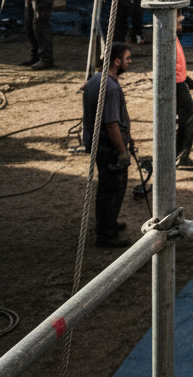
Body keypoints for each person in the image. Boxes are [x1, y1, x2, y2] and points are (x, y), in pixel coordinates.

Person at [82, 41, 134, 248]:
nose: (130, 62)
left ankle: (108, 224)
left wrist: (127, 137)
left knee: (107, 189)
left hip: (100, 145)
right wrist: (122, 151)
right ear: (116, 61)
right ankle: (106, 234)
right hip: (109, 148)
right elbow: (111, 124)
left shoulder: (95, 79)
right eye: (128, 58)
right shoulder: (111, 88)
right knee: (112, 190)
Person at [175, 13, 193, 166]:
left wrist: (188, 80)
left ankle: (178, 154)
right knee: (189, 115)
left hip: (179, 81)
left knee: (185, 117)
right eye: (179, 21)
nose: (181, 24)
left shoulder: (173, 37)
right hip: (175, 84)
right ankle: (181, 156)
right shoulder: (168, 38)